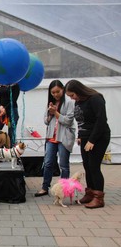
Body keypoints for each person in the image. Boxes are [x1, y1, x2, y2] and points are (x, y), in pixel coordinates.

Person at [65, 79, 111, 209]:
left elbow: (101, 120)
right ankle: (90, 193)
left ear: (79, 91)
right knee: (87, 165)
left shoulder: (96, 99)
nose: (72, 99)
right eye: (69, 97)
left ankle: (99, 197)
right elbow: (81, 121)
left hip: (98, 137)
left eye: (72, 95)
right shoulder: (79, 101)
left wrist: (92, 140)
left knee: (94, 166)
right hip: (85, 138)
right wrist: (80, 136)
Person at [34, 80, 76, 197]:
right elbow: (46, 121)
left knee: (63, 165)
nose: (55, 94)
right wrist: (50, 113)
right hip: (51, 138)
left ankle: (63, 189)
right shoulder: (50, 103)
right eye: (53, 92)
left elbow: (68, 121)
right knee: (47, 163)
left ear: (63, 89)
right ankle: (44, 187)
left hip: (64, 138)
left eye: (58, 91)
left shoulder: (69, 103)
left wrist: (56, 113)